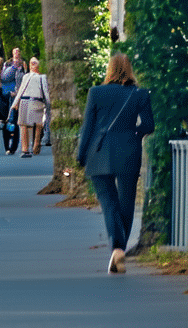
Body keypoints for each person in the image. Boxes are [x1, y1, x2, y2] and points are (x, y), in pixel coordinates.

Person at [77, 53, 154, 274]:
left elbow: (87, 128)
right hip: (129, 150)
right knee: (127, 200)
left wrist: (81, 155)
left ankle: (117, 248)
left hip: (98, 151)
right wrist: (134, 134)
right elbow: (149, 125)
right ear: (129, 69)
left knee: (109, 202)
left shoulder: (96, 92)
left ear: (109, 69)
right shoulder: (139, 94)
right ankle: (120, 248)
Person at [9, 57, 51, 157]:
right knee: (23, 125)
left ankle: (36, 144)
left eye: (34, 63)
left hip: (37, 101)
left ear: (38, 66)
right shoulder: (25, 76)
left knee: (37, 125)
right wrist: (15, 103)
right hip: (24, 100)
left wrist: (48, 104)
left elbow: (46, 91)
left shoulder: (42, 77)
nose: (32, 66)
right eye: (31, 63)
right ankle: (25, 150)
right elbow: (20, 90)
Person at [0, 48, 25, 154]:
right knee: (9, 122)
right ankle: (8, 146)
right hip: (9, 97)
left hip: (21, 98)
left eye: (19, 52)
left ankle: (14, 146)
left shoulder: (24, 64)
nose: (17, 54)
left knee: (17, 122)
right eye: (15, 52)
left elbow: (26, 76)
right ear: (12, 54)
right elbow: (4, 77)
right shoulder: (8, 64)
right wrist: (14, 66)